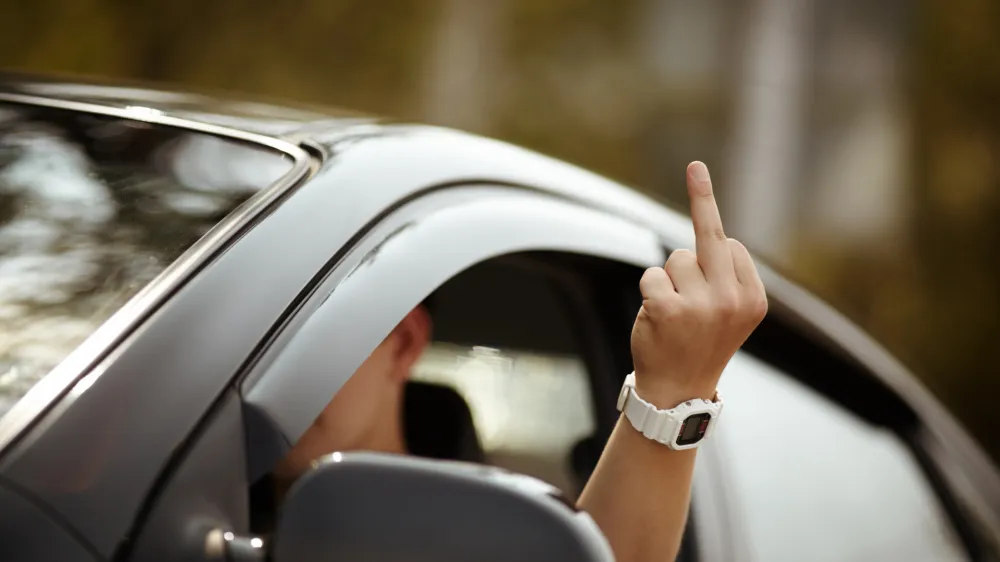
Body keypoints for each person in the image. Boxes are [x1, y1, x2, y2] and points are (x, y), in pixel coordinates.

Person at [256, 161, 767, 562]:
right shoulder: (194, 487)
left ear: (405, 342)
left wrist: (676, 389)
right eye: (252, 320)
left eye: (306, 326)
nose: (267, 360)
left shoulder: (481, 541)